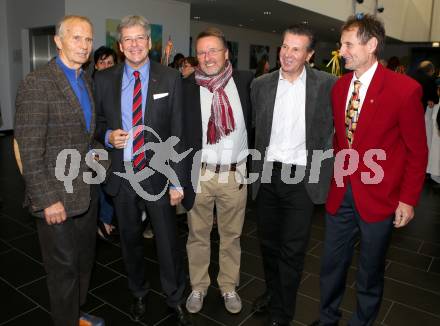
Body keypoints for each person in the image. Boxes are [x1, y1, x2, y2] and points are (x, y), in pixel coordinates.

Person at [310, 14, 428, 326]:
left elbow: (417, 151)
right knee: (331, 265)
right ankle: (327, 319)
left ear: (371, 45)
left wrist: (408, 199)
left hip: (381, 197)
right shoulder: (339, 88)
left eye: (348, 44)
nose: (341, 50)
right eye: (340, 44)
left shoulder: (405, 90)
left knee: (370, 271)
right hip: (341, 195)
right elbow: (340, 142)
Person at [94, 15, 191, 325]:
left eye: (140, 38)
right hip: (122, 175)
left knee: (167, 242)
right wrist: (108, 136)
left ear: (149, 43)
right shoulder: (105, 80)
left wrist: (178, 180)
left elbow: (178, 131)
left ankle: (174, 297)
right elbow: (96, 124)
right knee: (131, 240)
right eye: (128, 40)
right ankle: (138, 293)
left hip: (158, 176)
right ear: (121, 46)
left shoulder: (170, 78)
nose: (134, 44)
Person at [14, 15, 105, 326]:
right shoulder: (38, 82)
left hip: (85, 191)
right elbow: (29, 149)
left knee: (82, 263)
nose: (83, 45)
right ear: (59, 41)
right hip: (55, 197)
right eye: (76, 38)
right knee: (63, 269)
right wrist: (46, 199)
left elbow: (84, 134)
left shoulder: (85, 80)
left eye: (88, 39)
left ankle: (75, 314)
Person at [250, 25, 336, 326]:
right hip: (268, 176)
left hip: (302, 180)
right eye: (285, 46)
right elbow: (256, 133)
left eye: (296, 49)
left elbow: (332, 131)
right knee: (268, 245)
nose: (287, 54)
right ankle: (273, 293)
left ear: (309, 55)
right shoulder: (260, 85)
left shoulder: (327, 84)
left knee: (293, 251)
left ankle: (282, 314)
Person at [182, 27, 253, 315]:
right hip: (199, 173)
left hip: (234, 174)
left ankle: (228, 286)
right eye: (201, 51)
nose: (207, 57)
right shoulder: (186, 87)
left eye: (213, 50)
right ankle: (198, 286)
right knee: (196, 235)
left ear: (226, 53)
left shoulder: (247, 82)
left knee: (231, 236)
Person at [92, 46, 118, 242]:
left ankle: (106, 219)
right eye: (103, 62)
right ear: (96, 65)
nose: (107, 66)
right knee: (103, 180)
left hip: (117, 143)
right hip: (96, 142)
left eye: (110, 62)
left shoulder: (122, 85)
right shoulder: (90, 85)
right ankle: (104, 220)